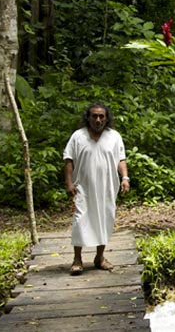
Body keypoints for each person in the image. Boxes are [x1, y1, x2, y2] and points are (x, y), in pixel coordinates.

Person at [63, 103, 130, 276]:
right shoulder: (78, 136)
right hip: (83, 187)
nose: (98, 120)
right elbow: (69, 160)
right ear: (88, 117)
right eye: (94, 116)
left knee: (105, 219)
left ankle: (99, 257)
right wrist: (69, 183)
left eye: (101, 116)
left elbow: (121, 160)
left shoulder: (114, 136)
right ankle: (77, 260)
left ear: (107, 118)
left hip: (107, 187)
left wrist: (125, 178)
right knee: (80, 220)